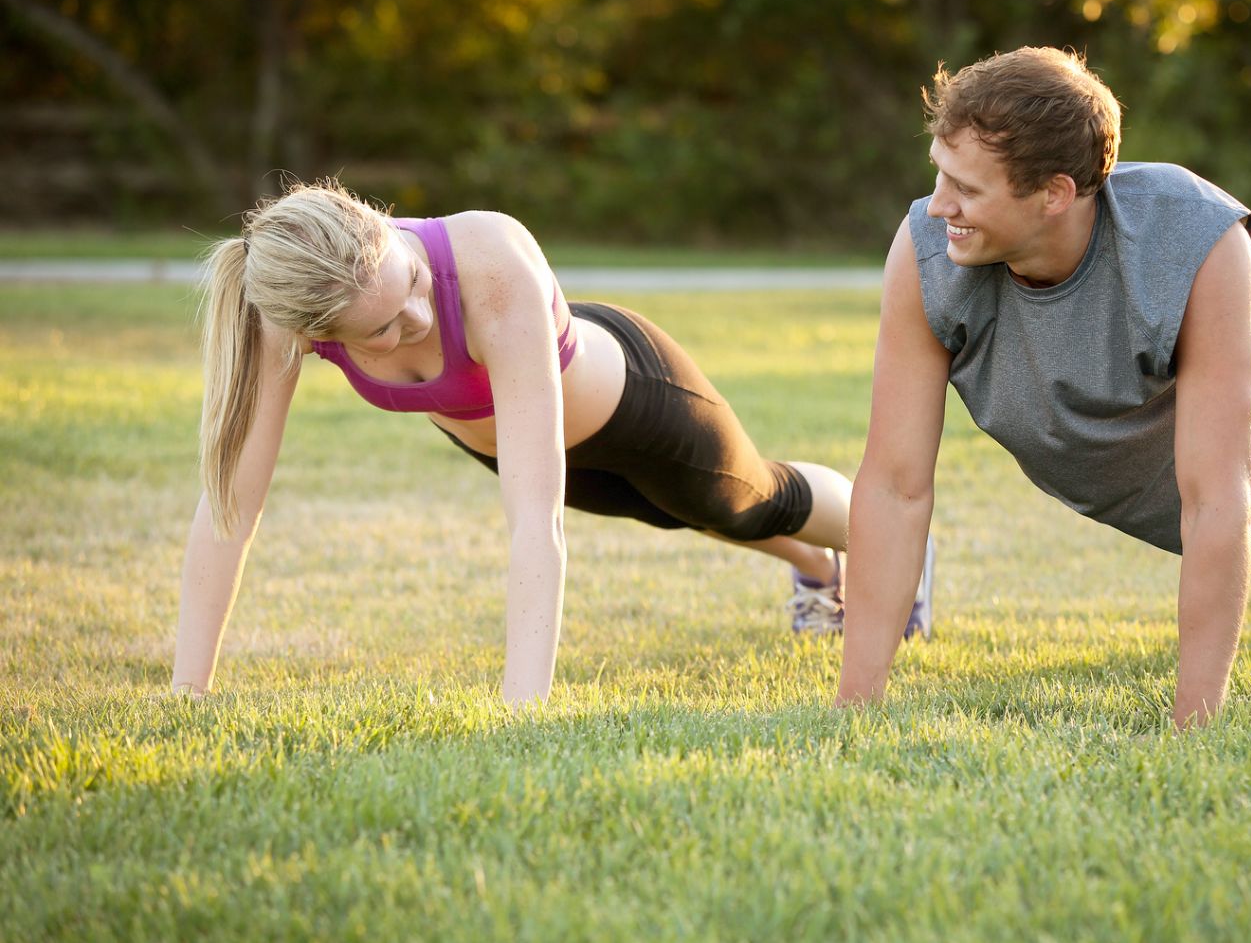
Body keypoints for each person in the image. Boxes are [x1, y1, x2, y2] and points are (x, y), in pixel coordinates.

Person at [836, 47, 1251, 728]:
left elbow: (1219, 498)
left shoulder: (1193, 239)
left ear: (1055, 193)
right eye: (940, 176)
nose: (938, 206)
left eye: (967, 190)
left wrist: (1194, 725)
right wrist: (854, 712)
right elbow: (894, 486)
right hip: (1152, 470)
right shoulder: (926, 252)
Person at [173, 180, 931, 707]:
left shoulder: (488, 261)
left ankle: (898, 551)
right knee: (677, 516)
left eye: (409, 281)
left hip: (638, 402)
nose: (417, 314)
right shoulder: (282, 314)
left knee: (754, 502)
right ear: (317, 336)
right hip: (509, 440)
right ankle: (815, 569)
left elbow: (534, 525)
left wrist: (521, 710)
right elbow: (232, 503)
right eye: (384, 328)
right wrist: (188, 692)